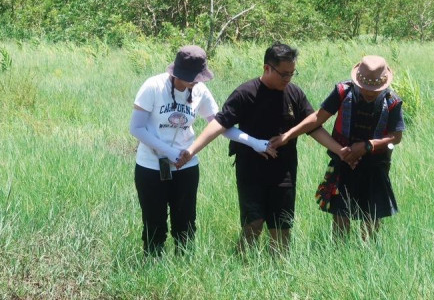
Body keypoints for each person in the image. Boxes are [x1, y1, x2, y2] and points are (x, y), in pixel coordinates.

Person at [129, 45, 273, 256]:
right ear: (175, 71)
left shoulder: (200, 91)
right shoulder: (153, 86)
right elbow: (137, 128)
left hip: (187, 167)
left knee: (185, 223)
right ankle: (152, 263)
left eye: (197, 77)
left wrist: (253, 142)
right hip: (151, 166)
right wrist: (169, 152)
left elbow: (220, 125)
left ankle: (183, 264)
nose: (194, 82)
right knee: (154, 222)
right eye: (190, 77)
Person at [176, 43, 316, 252]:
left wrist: (340, 151)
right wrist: (191, 151)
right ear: (267, 68)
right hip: (251, 170)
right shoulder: (245, 93)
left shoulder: (294, 93)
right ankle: (243, 264)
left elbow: (313, 123)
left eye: (292, 74)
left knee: (282, 226)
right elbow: (219, 123)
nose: (288, 79)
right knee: (254, 223)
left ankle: (279, 271)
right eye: (283, 74)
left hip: (284, 171)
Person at [271, 55, 405, 240]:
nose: (369, 92)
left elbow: (395, 137)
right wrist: (288, 135)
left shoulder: (392, 101)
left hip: (376, 165)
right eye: (365, 88)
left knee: (372, 214)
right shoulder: (343, 91)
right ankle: (340, 249)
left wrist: (368, 146)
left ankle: (368, 253)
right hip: (343, 160)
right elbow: (318, 117)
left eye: (374, 90)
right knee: (341, 212)